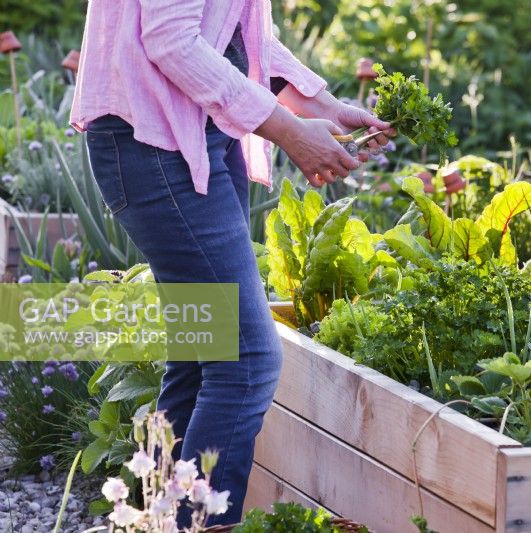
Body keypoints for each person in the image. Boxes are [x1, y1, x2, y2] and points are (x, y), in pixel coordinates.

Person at [70, 0, 394, 526]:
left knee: (205, 354)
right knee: (246, 362)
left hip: (188, 132)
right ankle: (194, 524)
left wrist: (320, 107)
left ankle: (163, 523)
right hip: (155, 141)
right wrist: (288, 131)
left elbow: (229, 31)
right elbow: (172, 39)